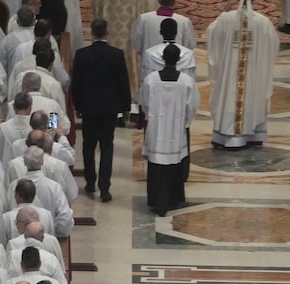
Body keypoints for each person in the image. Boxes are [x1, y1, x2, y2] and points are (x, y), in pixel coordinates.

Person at [70, 18, 132, 202]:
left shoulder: (82, 54)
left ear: (91, 32)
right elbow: (123, 83)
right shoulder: (116, 54)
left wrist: (78, 106)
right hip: (109, 108)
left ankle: (90, 181)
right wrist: (126, 107)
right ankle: (105, 187)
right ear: (106, 32)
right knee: (107, 146)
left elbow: (76, 84)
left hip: (88, 108)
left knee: (88, 145)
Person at [207, 0, 278, 149]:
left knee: (229, 95)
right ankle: (253, 135)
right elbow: (273, 44)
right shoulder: (263, 22)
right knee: (253, 94)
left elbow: (212, 32)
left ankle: (227, 134)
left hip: (229, 73)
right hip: (254, 73)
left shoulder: (225, 19)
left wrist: (224, 14)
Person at [138, 44, 197, 216]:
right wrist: (183, 123)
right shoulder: (187, 82)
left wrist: (153, 117)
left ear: (163, 58)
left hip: (157, 130)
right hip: (175, 130)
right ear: (178, 60)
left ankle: (157, 200)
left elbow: (145, 104)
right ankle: (171, 199)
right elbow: (191, 106)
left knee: (157, 165)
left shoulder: (150, 80)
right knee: (174, 165)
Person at [129, 0, 196, 96]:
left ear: (159, 1)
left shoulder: (144, 19)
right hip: (176, 70)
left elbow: (137, 43)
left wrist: (148, 55)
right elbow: (189, 45)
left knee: (150, 98)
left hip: (150, 66)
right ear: (174, 2)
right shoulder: (184, 21)